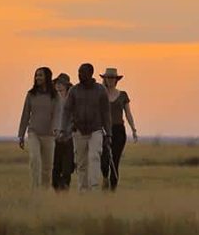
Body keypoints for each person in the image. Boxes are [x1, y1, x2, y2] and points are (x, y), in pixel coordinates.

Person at [60, 63, 111, 191]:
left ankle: (94, 186)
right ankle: (83, 189)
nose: (80, 75)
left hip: (96, 130)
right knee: (81, 162)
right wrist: (63, 129)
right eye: (79, 72)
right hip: (79, 131)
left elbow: (106, 113)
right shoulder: (74, 90)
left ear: (90, 73)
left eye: (82, 72)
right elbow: (66, 110)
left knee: (94, 157)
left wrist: (109, 133)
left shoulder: (100, 90)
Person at [17, 66, 59, 189]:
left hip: (49, 134)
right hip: (33, 132)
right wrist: (21, 134)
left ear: (47, 77)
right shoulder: (31, 95)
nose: (38, 78)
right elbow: (25, 114)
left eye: (40, 75)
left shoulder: (54, 96)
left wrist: (56, 128)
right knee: (35, 159)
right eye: (36, 75)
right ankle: (35, 189)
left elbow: (57, 114)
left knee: (47, 166)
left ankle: (45, 192)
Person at [100, 67, 138, 190]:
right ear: (104, 79)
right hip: (104, 130)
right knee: (104, 158)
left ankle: (113, 189)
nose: (110, 80)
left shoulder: (122, 95)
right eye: (108, 78)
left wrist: (133, 129)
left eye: (112, 78)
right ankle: (105, 177)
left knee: (115, 160)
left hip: (118, 130)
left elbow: (128, 113)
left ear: (116, 80)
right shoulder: (100, 94)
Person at [51, 73, 75, 191]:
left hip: (69, 137)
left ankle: (65, 189)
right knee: (56, 166)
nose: (58, 86)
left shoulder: (72, 100)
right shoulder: (53, 100)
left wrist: (67, 131)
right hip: (55, 138)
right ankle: (56, 189)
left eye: (61, 84)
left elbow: (73, 119)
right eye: (57, 84)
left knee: (67, 167)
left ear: (66, 85)